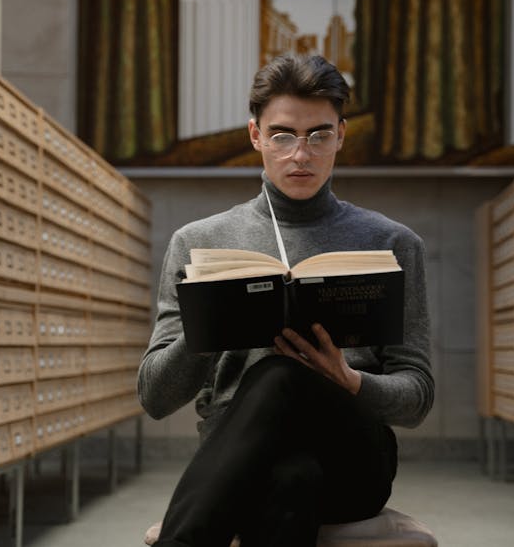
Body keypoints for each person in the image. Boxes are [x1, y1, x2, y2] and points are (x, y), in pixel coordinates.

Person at [138, 54, 434, 547]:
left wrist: (348, 379)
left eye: (318, 136)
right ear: (256, 136)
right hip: (241, 462)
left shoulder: (393, 243)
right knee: (290, 480)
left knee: (281, 373)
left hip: (352, 458)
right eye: (282, 136)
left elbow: (418, 395)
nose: (301, 154)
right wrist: (210, 322)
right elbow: (155, 396)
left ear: (341, 135)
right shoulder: (198, 242)